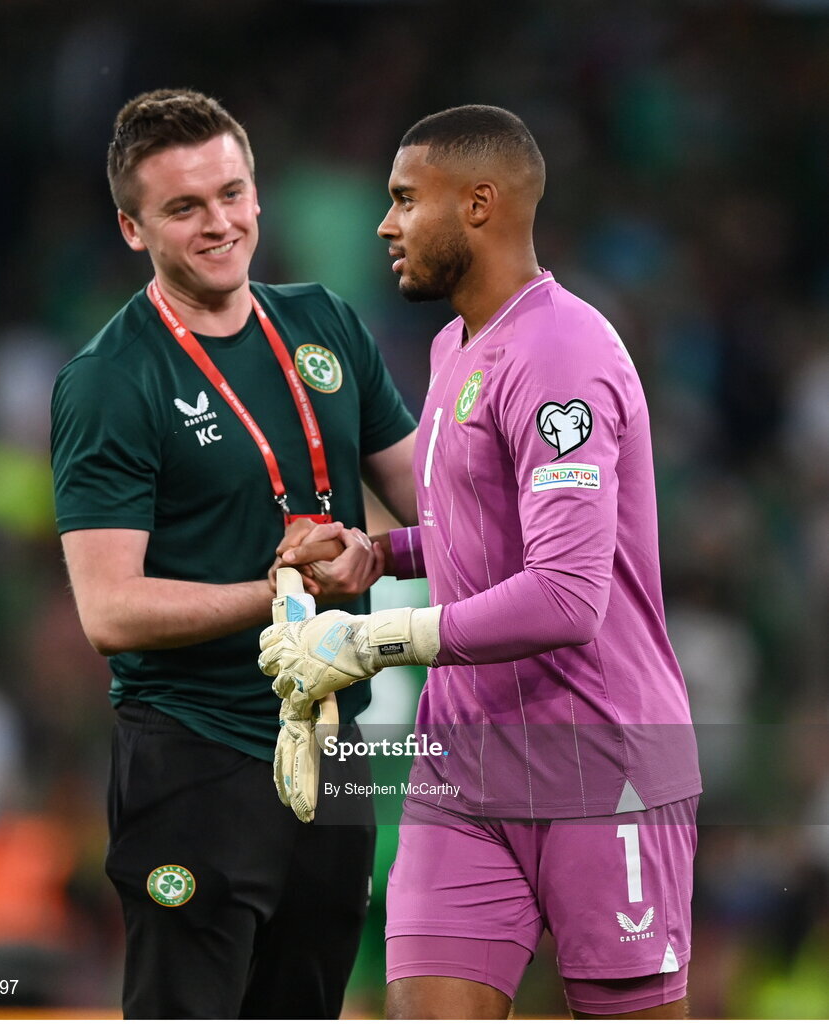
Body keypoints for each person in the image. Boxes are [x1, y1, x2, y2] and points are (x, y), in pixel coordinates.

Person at [260, 105, 702, 1020]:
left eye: (404, 200)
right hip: (461, 766)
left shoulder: (560, 353)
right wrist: (376, 555)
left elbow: (566, 595)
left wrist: (374, 641)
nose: (385, 224)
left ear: (479, 205)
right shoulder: (454, 345)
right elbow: (479, 531)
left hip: (599, 760)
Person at [49, 88, 417, 1019]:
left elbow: (440, 511)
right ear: (133, 229)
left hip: (333, 754)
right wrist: (280, 592)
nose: (220, 223)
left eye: (232, 193)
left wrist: (374, 554)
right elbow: (110, 611)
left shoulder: (326, 323)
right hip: (196, 758)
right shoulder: (110, 381)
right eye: (184, 207)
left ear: (258, 193)